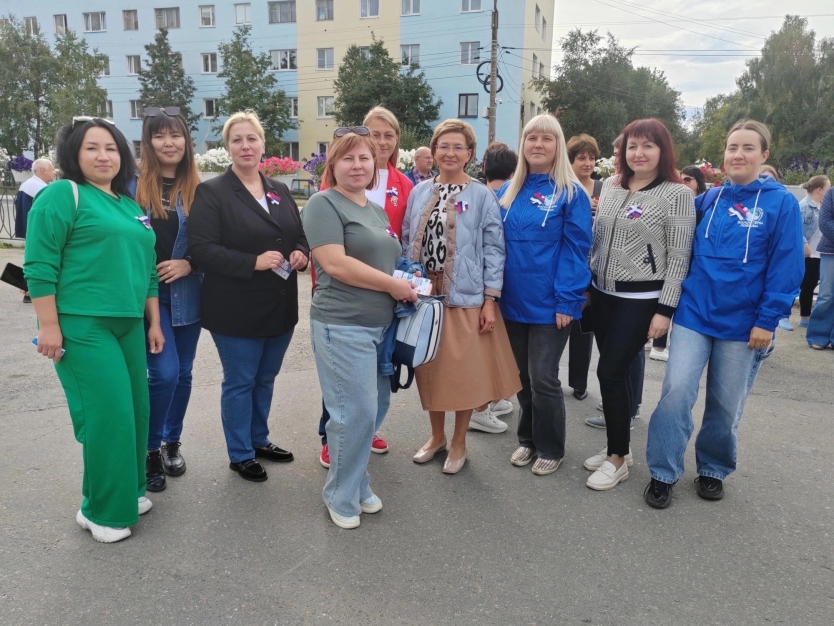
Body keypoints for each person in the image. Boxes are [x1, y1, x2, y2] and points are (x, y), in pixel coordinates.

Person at [644, 120, 804, 508]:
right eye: (733, 147)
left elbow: (786, 265)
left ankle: (713, 468)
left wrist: (767, 320)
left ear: (764, 155)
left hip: (744, 323)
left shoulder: (781, 203)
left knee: (725, 403)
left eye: (748, 148)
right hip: (695, 313)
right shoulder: (708, 200)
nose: (738, 154)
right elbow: (675, 235)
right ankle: (663, 471)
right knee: (676, 392)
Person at [23, 117, 162, 543]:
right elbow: (39, 264)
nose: (104, 156)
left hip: (129, 323)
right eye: (92, 148)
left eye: (111, 148)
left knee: (136, 411)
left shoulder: (128, 203)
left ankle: (127, 490)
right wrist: (49, 326)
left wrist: (154, 322)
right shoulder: (63, 194)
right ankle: (100, 511)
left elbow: (148, 270)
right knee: (108, 416)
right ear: (74, 154)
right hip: (82, 323)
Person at [302, 127, 418, 528]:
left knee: (374, 410)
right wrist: (392, 285)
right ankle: (340, 494)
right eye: (347, 158)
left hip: (381, 328)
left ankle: (356, 481)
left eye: (364, 158)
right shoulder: (322, 204)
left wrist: (410, 279)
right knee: (353, 413)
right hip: (342, 324)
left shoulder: (375, 209)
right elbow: (336, 264)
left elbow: (385, 260)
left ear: (375, 165)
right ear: (333, 165)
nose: (357, 165)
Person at [188, 110, 308, 482]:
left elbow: (298, 234)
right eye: (237, 140)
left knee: (265, 378)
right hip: (235, 308)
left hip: (279, 305)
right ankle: (240, 453)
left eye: (251, 138)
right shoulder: (212, 192)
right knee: (241, 381)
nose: (245, 145)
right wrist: (251, 262)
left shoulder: (279, 189)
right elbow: (201, 249)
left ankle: (259, 439)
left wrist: (301, 253)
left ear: (263, 145)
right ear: (227, 147)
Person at [403, 119, 521, 475]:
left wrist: (490, 299)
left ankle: (459, 441)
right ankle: (436, 436)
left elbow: (494, 249)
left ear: (470, 154)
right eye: (444, 146)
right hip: (425, 295)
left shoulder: (481, 195)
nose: (450, 153)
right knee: (429, 369)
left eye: (458, 147)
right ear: (434, 151)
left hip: (465, 295)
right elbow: (408, 238)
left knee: (463, 373)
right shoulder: (418, 191)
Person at [584, 118, 696, 491]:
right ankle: (620, 447)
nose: (639, 153)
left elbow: (679, 257)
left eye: (648, 145)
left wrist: (665, 310)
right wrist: (587, 285)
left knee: (610, 372)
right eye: (632, 145)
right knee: (614, 372)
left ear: (663, 150)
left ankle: (617, 459)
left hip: (641, 299)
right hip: (602, 294)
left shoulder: (676, 194)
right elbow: (597, 239)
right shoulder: (612, 186)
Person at [317, 106, 414, 468]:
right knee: (346, 392)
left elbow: (399, 239)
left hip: (384, 302)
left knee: (372, 392)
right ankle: (334, 444)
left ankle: (361, 443)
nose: (382, 142)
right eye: (375, 134)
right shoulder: (329, 196)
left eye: (389, 135)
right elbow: (332, 257)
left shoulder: (401, 186)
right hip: (346, 303)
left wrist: (407, 277)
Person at [498, 116, 593, 475]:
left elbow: (576, 249)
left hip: (551, 303)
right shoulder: (507, 192)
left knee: (543, 377)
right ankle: (528, 439)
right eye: (531, 138)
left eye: (547, 139)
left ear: (558, 146)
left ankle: (551, 446)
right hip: (511, 301)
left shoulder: (571, 193)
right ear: (522, 145)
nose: (538, 144)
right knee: (521, 376)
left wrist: (568, 299)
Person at [135, 106, 203, 493]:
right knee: (164, 374)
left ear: (186, 141)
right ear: (148, 142)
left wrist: (190, 262)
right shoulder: (131, 188)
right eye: (159, 135)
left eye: (175, 135)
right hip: (149, 296)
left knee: (184, 373)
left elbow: (215, 242)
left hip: (189, 293)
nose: (168, 142)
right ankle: (149, 449)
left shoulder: (199, 189)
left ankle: (171, 441)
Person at [467, 140, 520, 427]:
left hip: (481, 282)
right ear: (514, 170)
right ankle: (481, 406)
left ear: (484, 167)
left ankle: (492, 399)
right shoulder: (512, 198)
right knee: (493, 348)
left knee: (489, 345)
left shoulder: (477, 194)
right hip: (505, 283)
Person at [648, 164, 709, 363]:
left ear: (698, 182)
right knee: (665, 299)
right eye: (681, 179)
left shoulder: (705, 203)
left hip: (693, 263)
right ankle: (657, 344)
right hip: (671, 262)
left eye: (688, 179)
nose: (683, 183)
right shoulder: (675, 198)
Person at [565, 133, 602, 401]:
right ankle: (547, 379)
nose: (587, 163)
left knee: (583, 328)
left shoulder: (603, 189)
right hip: (568, 263)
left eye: (591, 158)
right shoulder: (562, 188)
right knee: (556, 326)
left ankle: (579, 382)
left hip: (593, 265)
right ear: (570, 161)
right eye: (581, 158)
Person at [14, 158, 55, 303]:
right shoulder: (39, 188)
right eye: (52, 169)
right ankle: (29, 291)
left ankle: (28, 290)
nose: (54, 171)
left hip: (30, 229)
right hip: (37, 231)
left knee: (31, 259)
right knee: (38, 261)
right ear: (43, 170)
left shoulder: (28, 184)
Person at [798, 176, 831, 328]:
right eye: (828, 188)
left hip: (820, 253)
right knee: (803, 284)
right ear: (819, 190)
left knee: (810, 285)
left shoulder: (824, 206)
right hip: (808, 253)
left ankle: (806, 317)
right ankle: (801, 317)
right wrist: (804, 244)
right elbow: (796, 229)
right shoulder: (804, 206)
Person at [806, 186, 834, 349]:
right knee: (826, 294)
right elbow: (824, 222)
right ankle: (818, 335)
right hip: (831, 251)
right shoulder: (832, 193)